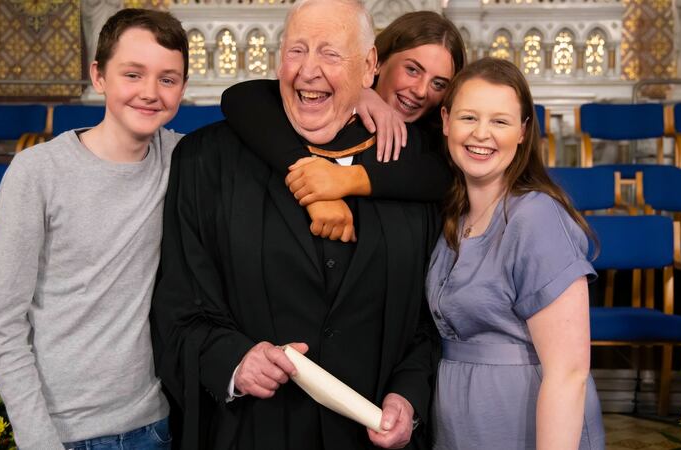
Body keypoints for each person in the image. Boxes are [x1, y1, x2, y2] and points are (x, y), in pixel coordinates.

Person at [151, 1, 440, 449]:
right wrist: (233, 362)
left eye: (330, 54)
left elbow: (428, 320)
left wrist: (410, 396)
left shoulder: (410, 171)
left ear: (369, 68)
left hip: (371, 436)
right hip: (252, 432)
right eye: (296, 51)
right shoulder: (205, 162)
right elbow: (177, 308)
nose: (309, 70)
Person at [0, 9, 188, 450]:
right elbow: (1, 327)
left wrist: (368, 96)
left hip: (153, 424)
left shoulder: (179, 159)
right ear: (99, 76)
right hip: (64, 434)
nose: (150, 93)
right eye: (133, 74)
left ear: (183, 88)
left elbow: (254, 109)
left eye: (168, 79)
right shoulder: (38, 172)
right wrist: (40, 441)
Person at [428, 57, 605, 449]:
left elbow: (569, 372)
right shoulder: (454, 217)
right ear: (445, 121)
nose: (482, 134)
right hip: (460, 427)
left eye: (500, 121)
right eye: (468, 117)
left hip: (522, 424)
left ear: (523, 132)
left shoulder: (536, 217)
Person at [219, 11, 464, 242]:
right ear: (376, 62)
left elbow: (445, 175)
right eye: (412, 70)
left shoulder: (433, 147)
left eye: (439, 84)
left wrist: (343, 179)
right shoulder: (315, 110)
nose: (421, 91)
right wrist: (359, 90)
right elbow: (241, 98)